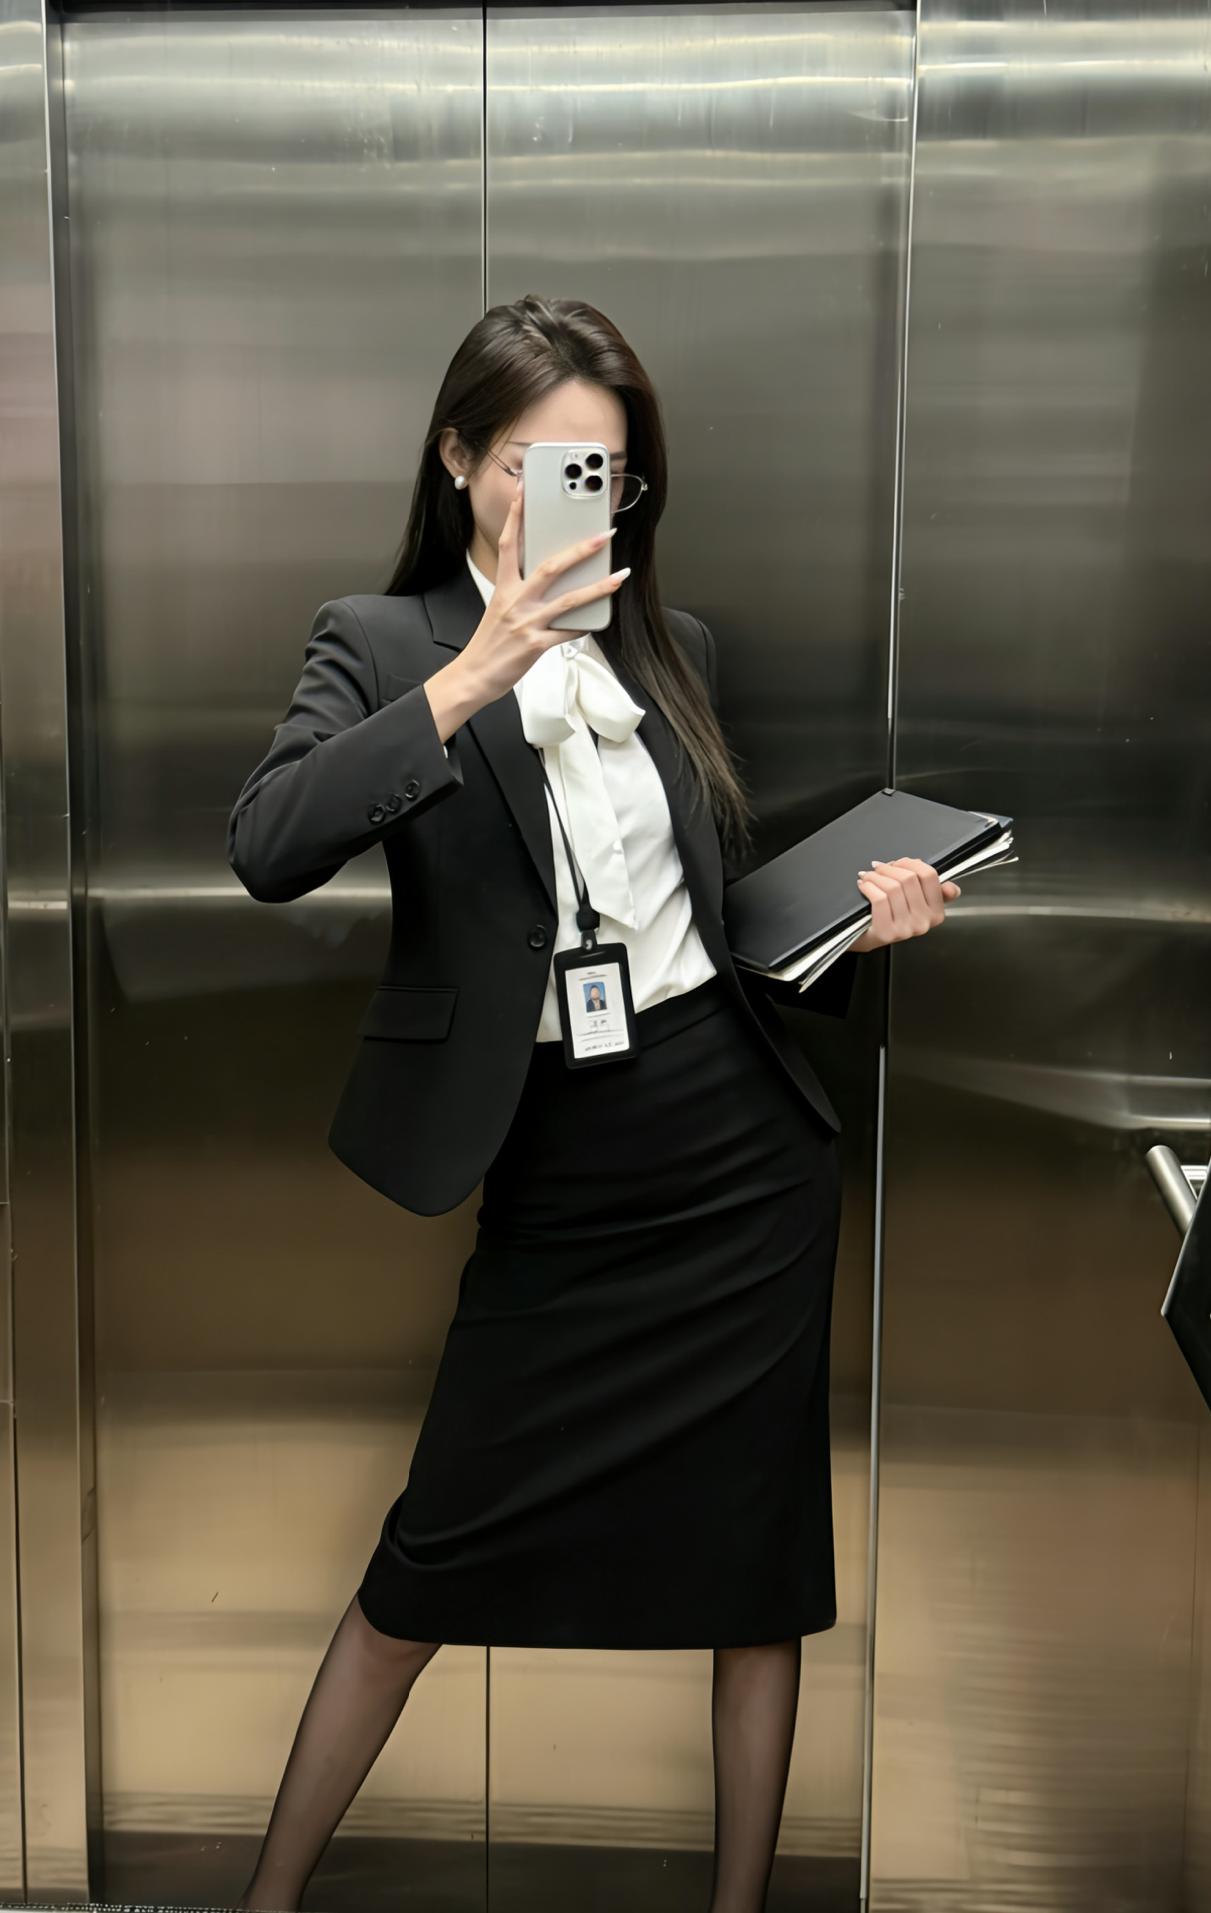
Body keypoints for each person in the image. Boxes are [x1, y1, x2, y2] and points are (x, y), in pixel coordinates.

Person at [227, 292, 959, 1913]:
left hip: (740, 1163)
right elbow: (267, 843)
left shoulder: (669, 648)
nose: (572, 500)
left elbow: (706, 918)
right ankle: (264, 1902)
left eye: (605, 474)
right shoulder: (381, 638)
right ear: (458, 457)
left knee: (757, 1569)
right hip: (554, 1161)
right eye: (536, 465)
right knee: (421, 1566)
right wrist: (471, 677)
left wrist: (855, 927)